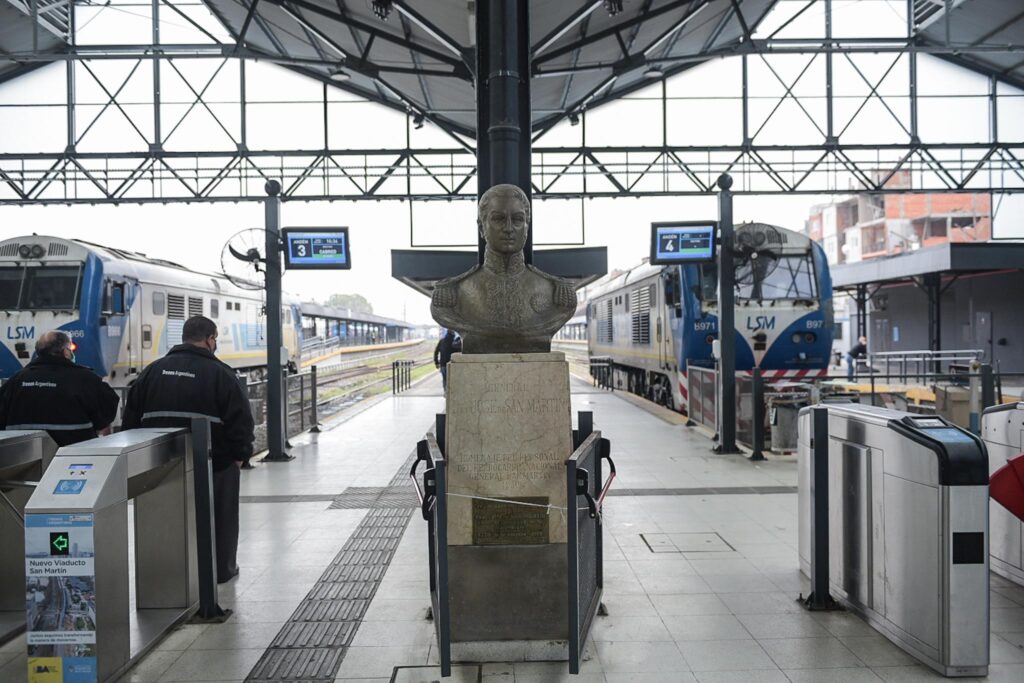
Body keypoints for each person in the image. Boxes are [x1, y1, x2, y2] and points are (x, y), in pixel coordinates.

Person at [122, 316, 254, 583]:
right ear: (209, 339)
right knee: (220, 519)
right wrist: (239, 456)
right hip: (214, 464)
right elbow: (240, 421)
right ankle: (221, 570)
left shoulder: (151, 372)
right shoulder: (222, 374)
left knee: (165, 520)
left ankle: (167, 574)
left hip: (160, 465)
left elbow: (130, 420)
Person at [431, 184, 577, 353]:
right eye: (498, 219)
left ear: (526, 227)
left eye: (517, 219)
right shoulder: (457, 293)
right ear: (481, 227)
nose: (508, 228)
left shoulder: (554, 293)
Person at [0, 330, 120, 446]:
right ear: (66, 352)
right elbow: (107, 408)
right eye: (70, 348)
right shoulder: (85, 379)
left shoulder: (16, 380)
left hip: (25, 456)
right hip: (74, 453)